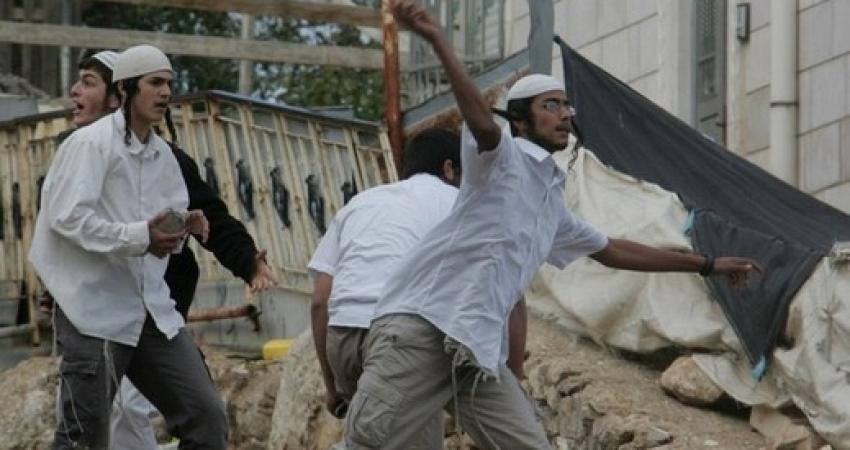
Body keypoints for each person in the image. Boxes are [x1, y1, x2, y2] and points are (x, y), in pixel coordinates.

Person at [341, 2, 763, 449]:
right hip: (422, 331)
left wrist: (707, 264)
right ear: (521, 121)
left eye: (566, 105)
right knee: (368, 444)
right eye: (551, 105)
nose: (565, 114)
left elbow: (614, 250)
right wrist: (437, 39)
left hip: (473, 352)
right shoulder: (500, 162)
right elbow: (481, 121)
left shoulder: (551, 203)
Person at [50, 48, 278, 449]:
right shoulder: (87, 146)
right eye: (155, 83)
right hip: (93, 310)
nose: (166, 92)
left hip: (150, 310)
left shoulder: (165, 158)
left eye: (169, 83)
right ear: (126, 90)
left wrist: (187, 226)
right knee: (85, 435)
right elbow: (67, 221)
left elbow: (180, 221)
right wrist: (144, 236)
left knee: (206, 419)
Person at [308, 128, 461, 447]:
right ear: (449, 168)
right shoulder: (453, 200)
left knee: (379, 435)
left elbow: (320, 300)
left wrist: (332, 386)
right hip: (398, 338)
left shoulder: (359, 203)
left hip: (343, 336)